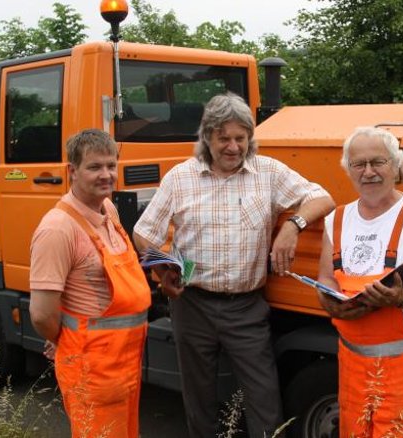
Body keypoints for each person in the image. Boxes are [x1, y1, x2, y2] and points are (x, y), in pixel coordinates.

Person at [133, 93, 335, 438]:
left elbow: (323, 197)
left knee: (264, 399)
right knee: (199, 401)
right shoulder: (181, 177)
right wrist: (163, 270)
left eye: (241, 138)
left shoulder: (267, 172)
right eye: (224, 138)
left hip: (246, 306)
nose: (233, 146)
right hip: (192, 304)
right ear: (207, 138)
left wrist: (291, 226)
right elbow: (143, 233)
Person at [316, 126, 403, 438]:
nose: (369, 172)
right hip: (351, 356)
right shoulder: (337, 218)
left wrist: (401, 297)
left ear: (396, 165)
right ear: (348, 169)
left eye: (378, 162)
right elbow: (324, 277)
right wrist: (331, 302)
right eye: (359, 164)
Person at [29, 129, 151, 438]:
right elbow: (42, 314)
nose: (106, 175)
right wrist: (65, 339)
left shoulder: (107, 209)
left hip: (123, 365)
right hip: (91, 370)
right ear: (72, 171)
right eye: (95, 167)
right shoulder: (57, 229)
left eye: (111, 166)